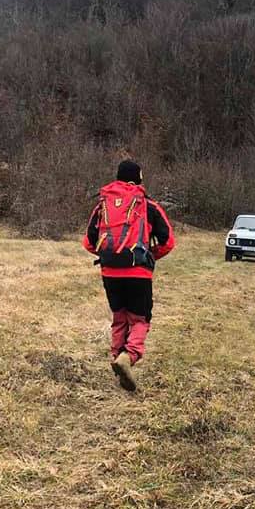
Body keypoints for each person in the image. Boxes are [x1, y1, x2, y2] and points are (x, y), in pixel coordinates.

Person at [83, 159, 175, 391]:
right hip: (138, 272)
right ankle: (128, 356)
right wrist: (149, 255)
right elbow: (168, 241)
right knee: (140, 319)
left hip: (109, 271)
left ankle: (117, 357)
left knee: (120, 317)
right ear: (138, 178)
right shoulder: (147, 204)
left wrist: (109, 256)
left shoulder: (102, 204)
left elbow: (88, 242)